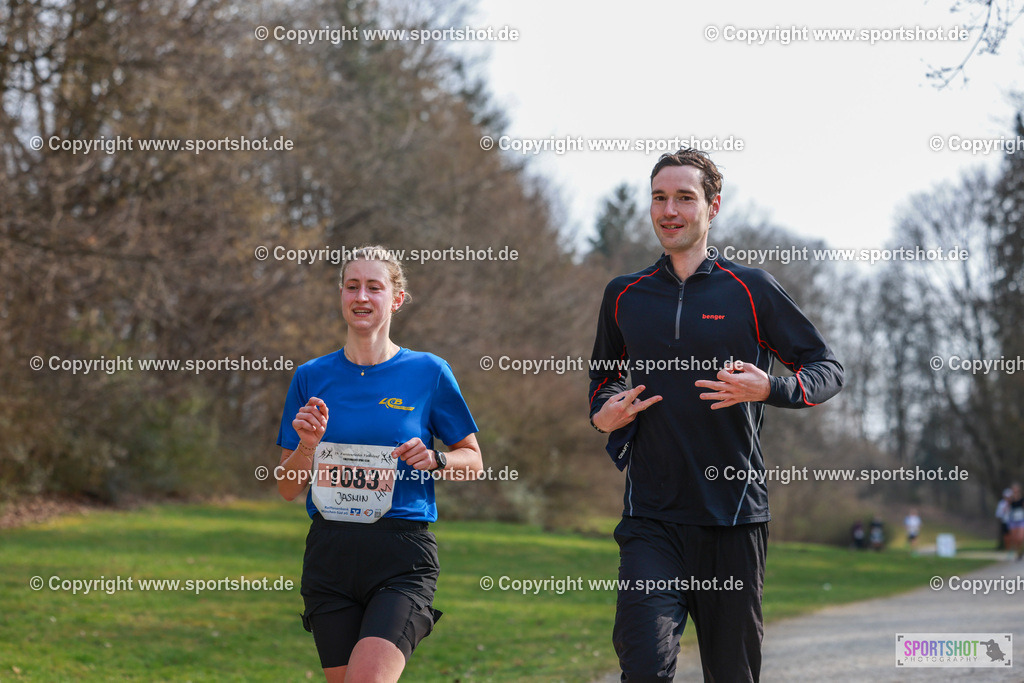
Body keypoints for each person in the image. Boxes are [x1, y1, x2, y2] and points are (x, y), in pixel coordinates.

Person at [589, 149, 844, 682]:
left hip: (733, 519)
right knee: (642, 665)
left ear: (713, 206)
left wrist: (771, 386)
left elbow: (827, 368)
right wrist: (604, 414)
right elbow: (604, 379)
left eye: (685, 197)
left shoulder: (750, 289)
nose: (669, 210)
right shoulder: (624, 295)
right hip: (651, 517)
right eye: (659, 197)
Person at [276, 245, 483, 682]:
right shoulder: (311, 376)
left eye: (374, 286)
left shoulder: (429, 372)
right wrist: (308, 445)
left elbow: (474, 460)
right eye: (352, 287)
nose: (362, 297)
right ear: (342, 296)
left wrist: (436, 459)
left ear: (396, 298)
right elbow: (287, 486)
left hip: (401, 555)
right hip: (330, 554)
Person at [1007, 483, 1024, 561]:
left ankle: (1020, 551)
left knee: (1020, 537)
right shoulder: (1010, 499)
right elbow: (1007, 508)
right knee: (1015, 539)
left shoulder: (1022, 499)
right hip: (1013, 520)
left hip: (1021, 520)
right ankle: (1018, 553)